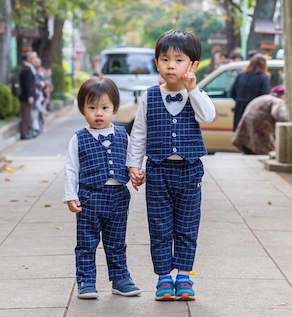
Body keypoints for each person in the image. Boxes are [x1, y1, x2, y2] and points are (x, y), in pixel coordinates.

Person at [127, 29, 216, 301]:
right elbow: (139, 132)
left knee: (188, 226)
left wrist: (193, 89)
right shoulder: (150, 96)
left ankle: (185, 277)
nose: (171, 65)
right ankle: (164, 277)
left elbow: (208, 117)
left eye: (179, 60)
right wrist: (134, 165)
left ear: (193, 65)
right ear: (157, 64)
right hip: (158, 170)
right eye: (165, 59)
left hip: (190, 172)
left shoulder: (196, 95)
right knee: (160, 225)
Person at [64, 76, 141, 300]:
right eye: (92, 108)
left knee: (116, 241)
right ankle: (86, 281)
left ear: (115, 110)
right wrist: (70, 195)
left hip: (118, 197)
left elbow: (131, 159)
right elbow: (71, 168)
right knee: (87, 242)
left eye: (105, 108)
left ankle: (120, 279)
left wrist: (136, 172)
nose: (99, 113)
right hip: (89, 197)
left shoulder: (121, 134)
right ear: (82, 109)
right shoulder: (79, 139)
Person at [232, 85, 287, 155]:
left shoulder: (265, 97)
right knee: (266, 150)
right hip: (259, 124)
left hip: (248, 122)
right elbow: (278, 114)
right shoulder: (278, 101)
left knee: (250, 144)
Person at [230, 53, 271, 130]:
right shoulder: (263, 78)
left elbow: (232, 93)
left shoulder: (240, 75)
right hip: (255, 112)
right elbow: (266, 97)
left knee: (241, 137)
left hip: (240, 111)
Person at [19, 51, 38, 140]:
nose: (35, 60)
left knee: (29, 115)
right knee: (26, 115)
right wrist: (30, 96)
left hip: (29, 96)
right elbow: (28, 84)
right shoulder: (26, 69)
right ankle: (24, 133)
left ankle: (28, 131)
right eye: (34, 58)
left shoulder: (29, 68)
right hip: (26, 97)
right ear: (29, 59)